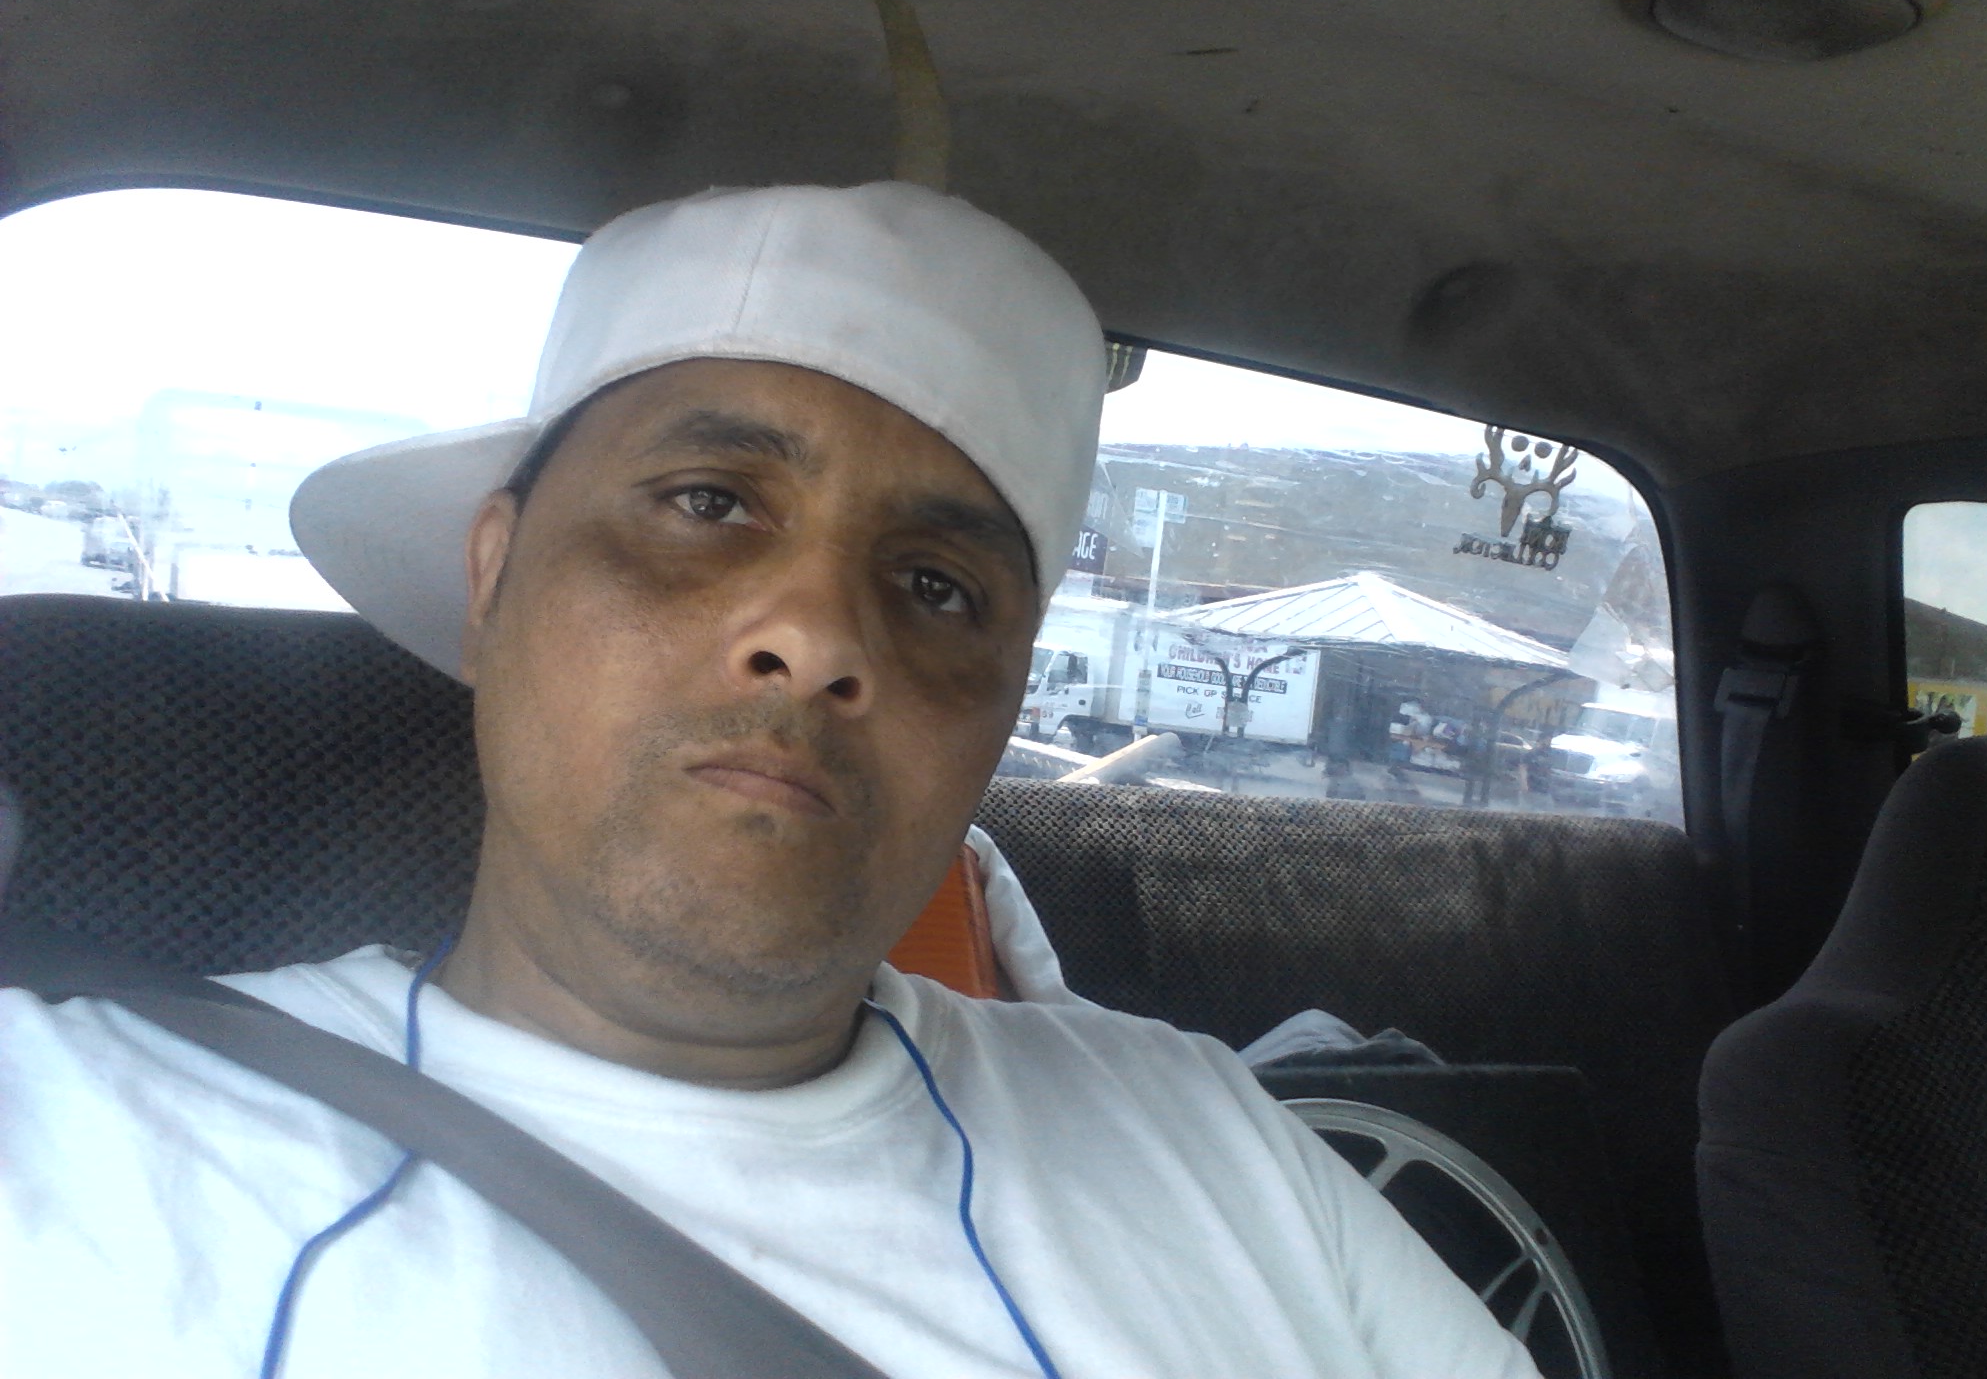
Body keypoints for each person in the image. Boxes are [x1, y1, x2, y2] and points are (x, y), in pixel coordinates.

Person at [0, 183, 1537, 1378]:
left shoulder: (1208, 1144)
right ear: (493, 579)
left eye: (936, 587)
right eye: (707, 502)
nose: (816, 637)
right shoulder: (89, 1141)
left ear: (1000, 714)